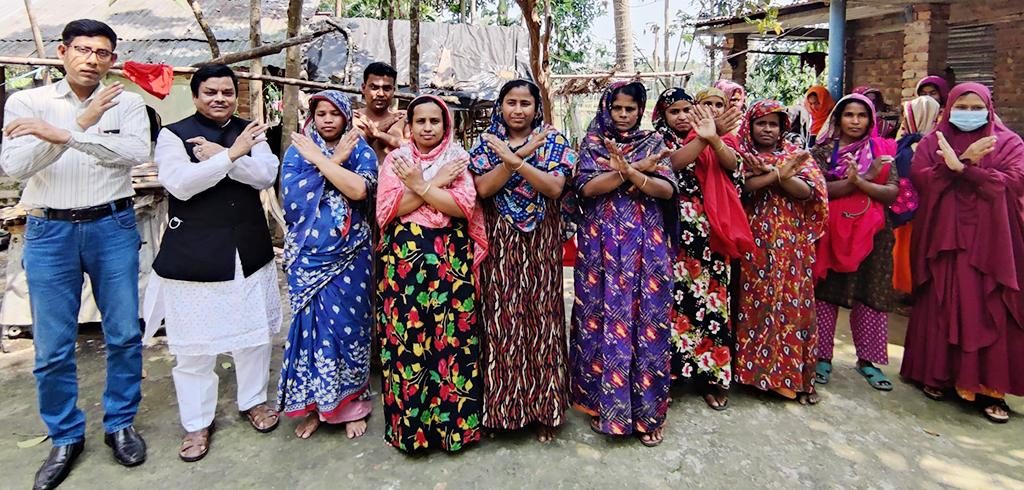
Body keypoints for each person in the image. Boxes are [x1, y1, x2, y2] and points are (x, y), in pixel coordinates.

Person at [0, 19, 149, 489]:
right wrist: (78, 124)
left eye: (102, 53)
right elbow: (16, 165)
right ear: (63, 52)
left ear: (112, 58)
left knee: (124, 331)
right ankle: (65, 434)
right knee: (52, 345)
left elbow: (133, 153)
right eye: (83, 50)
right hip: (50, 229)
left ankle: (119, 423)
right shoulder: (28, 102)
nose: (92, 59)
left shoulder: (127, 101)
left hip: (112, 224)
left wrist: (62, 134)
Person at [144, 64, 282, 462]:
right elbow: (181, 184)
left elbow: (265, 175)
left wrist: (225, 155)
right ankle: (197, 423)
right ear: (196, 95)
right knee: (193, 349)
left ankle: (253, 401)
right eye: (211, 92)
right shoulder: (173, 134)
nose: (220, 98)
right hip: (194, 254)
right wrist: (233, 157)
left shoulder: (251, 130)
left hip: (246, 251)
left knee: (253, 337)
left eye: (227, 91)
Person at [901, 82, 1024, 423]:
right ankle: (937, 374)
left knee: (989, 305)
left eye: (975, 108)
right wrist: (953, 165)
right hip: (943, 239)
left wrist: (966, 170)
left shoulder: (1009, 142)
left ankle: (988, 387)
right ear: (948, 107)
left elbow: (1014, 182)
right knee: (942, 299)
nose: (968, 114)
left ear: (989, 107)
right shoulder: (933, 142)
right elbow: (921, 180)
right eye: (962, 107)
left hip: (991, 243)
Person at [376, 95, 488, 453]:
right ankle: (413, 434)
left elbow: (460, 207)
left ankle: (455, 431)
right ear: (409, 126)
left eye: (434, 121)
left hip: (450, 264)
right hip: (404, 266)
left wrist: (421, 185)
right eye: (420, 121)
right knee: (408, 343)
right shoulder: (396, 160)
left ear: (445, 125)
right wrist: (435, 183)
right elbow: (390, 211)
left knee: (452, 342)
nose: (427, 128)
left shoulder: (457, 160)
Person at [570, 81, 676, 447]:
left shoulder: (654, 143)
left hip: (646, 244)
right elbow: (585, 189)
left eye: (631, 109)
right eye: (618, 108)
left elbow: (667, 190)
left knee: (646, 322)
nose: (625, 115)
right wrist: (623, 172)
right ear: (607, 108)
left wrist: (633, 173)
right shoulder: (594, 143)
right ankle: (604, 403)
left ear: (641, 110)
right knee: (600, 322)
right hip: (601, 246)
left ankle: (648, 413)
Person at [469, 80, 574, 443]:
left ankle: (546, 410)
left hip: (541, 242)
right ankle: (503, 412)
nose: (518, 110)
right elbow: (483, 189)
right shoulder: (485, 144)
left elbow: (553, 188)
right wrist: (522, 157)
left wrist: (514, 159)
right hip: (499, 242)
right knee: (501, 320)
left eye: (525, 103)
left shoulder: (555, 141)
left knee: (542, 319)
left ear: (536, 107)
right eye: (510, 102)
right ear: (500, 106)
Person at [276, 90, 378, 439]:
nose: (329, 119)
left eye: (335, 113)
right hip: (309, 256)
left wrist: (324, 160)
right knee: (310, 333)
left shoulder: (361, 151)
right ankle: (316, 407)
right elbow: (292, 201)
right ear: (313, 116)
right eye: (322, 113)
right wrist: (333, 160)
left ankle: (351, 405)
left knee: (349, 327)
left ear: (346, 115)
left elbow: (359, 192)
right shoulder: (297, 151)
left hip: (352, 254)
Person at [733, 100, 828, 405]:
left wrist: (782, 174)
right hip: (753, 244)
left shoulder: (796, 155)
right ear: (750, 125)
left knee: (790, 305)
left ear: (783, 127)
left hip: (791, 245)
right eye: (761, 123)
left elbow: (808, 191)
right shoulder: (742, 155)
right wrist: (777, 176)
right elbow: (743, 188)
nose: (767, 129)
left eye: (773, 124)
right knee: (756, 304)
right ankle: (755, 375)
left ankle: (790, 377)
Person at [810, 94, 899, 392]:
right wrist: (857, 181)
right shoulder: (823, 151)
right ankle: (822, 356)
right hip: (833, 233)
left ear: (871, 120)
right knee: (827, 291)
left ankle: (868, 361)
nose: (856, 121)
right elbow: (819, 189)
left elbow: (891, 193)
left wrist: (862, 182)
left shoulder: (883, 150)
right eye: (849, 115)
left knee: (870, 292)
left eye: (862, 115)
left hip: (874, 234)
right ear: (838, 118)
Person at [667, 87, 749, 411]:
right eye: (707, 104)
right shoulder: (671, 139)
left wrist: (715, 139)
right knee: (676, 303)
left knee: (713, 302)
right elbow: (672, 165)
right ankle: (673, 373)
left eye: (720, 104)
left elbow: (733, 167)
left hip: (715, 230)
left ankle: (711, 375)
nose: (713, 110)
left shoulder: (729, 140)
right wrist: (703, 137)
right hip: (680, 230)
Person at [891, 96, 940, 295]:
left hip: (916, 209)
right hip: (914, 207)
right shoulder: (909, 141)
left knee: (909, 247)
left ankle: (909, 287)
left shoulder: (923, 144)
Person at [354, 62, 406, 161]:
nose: (381, 94)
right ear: (363, 88)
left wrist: (377, 133)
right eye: (374, 87)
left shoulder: (403, 118)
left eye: (386, 89)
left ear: (393, 91)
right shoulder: (351, 117)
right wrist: (380, 129)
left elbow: (414, 150)